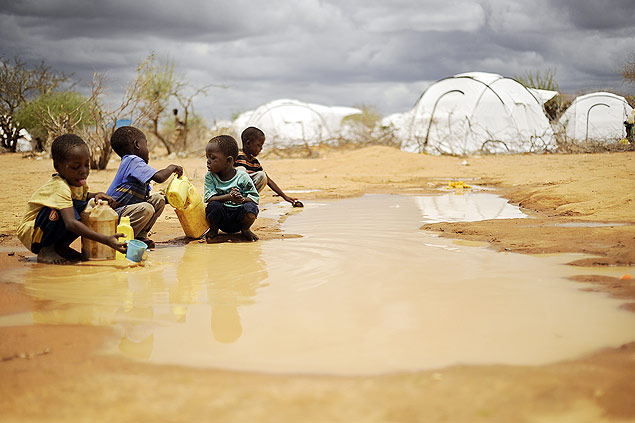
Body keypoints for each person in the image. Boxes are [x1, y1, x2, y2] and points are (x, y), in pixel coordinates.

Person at [17, 134, 127, 264]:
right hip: (34, 233)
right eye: (76, 167)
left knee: (89, 206)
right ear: (57, 166)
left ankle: (60, 247)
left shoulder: (78, 182)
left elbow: (82, 197)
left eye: (87, 165)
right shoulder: (59, 187)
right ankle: (46, 250)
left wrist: (95, 195)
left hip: (47, 227)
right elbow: (70, 223)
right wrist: (106, 240)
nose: (83, 171)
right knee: (63, 213)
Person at [106, 126, 183, 249]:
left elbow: (142, 198)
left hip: (126, 213)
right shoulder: (132, 161)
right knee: (146, 208)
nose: (148, 150)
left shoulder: (134, 165)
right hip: (112, 217)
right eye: (145, 145)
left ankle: (139, 236)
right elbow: (159, 177)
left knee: (158, 199)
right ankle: (125, 240)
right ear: (137, 145)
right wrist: (172, 168)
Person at [204, 135, 259, 243]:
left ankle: (245, 229)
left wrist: (242, 199)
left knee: (251, 208)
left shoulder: (242, 176)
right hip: (221, 219)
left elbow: (254, 198)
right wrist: (228, 197)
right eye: (207, 157)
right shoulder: (210, 176)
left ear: (228, 161)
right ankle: (214, 229)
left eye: (212, 158)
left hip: (239, 218)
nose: (208, 161)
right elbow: (209, 198)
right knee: (213, 206)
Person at [235, 126, 303, 207]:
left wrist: (285, 197)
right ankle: (233, 198)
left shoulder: (255, 162)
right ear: (248, 143)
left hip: (244, 193)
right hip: (232, 190)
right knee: (241, 170)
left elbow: (268, 181)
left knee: (262, 176)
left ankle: (247, 199)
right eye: (259, 145)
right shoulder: (236, 155)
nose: (261, 149)